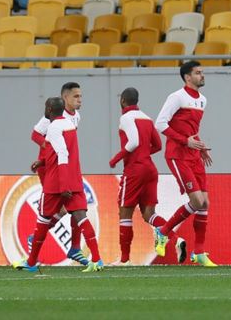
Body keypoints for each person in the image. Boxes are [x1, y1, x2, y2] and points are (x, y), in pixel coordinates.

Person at [15, 97, 104, 273]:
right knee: (81, 218)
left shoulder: (54, 127)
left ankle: (31, 263)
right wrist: (42, 161)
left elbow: (62, 154)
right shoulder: (69, 124)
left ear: (49, 109)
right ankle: (97, 260)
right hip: (74, 178)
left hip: (56, 183)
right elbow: (59, 151)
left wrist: (63, 185)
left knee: (42, 220)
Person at [154, 61, 216, 267]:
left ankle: (199, 252)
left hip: (194, 154)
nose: (202, 76)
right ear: (187, 77)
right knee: (197, 202)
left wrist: (200, 145)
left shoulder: (203, 100)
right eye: (198, 73)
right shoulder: (177, 97)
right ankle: (162, 232)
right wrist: (185, 141)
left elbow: (192, 128)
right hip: (177, 154)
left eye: (202, 72)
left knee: (205, 203)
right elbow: (160, 123)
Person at [29, 82, 88, 266]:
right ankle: (38, 239)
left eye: (81, 96)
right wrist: (49, 148)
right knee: (65, 208)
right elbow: (35, 135)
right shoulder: (52, 117)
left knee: (74, 206)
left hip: (64, 166)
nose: (80, 100)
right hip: (49, 167)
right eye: (76, 96)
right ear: (65, 98)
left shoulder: (76, 116)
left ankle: (75, 248)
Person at [107, 87, 168, 266]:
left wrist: (115, 159)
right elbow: (158, 146)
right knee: (149, 214)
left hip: (135, 170)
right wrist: (143, 153)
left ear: (123, 101)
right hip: (150, 169)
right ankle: (176, 238)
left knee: (124, 212)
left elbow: (133, 142)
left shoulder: (125, 118)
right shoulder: (147, 118)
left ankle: (125, 259)